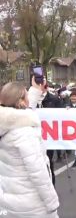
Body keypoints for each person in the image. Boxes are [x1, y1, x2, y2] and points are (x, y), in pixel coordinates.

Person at [0, 80, 60, 218]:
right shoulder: (24, 132)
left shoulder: (6, 124)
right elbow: (38, 172)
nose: (29, 100)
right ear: (20, 101)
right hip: (32, 204)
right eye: (26, 96)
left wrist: (35, 88)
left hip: (8, 201)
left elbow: (24, 111)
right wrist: (52, 203)